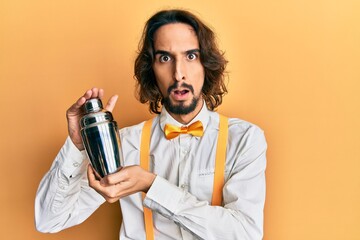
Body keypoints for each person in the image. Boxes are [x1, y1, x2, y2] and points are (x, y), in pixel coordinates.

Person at [35, 9, 267, 240]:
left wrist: (151, 185)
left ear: (206, 64)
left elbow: (245, 234)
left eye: (191, 56)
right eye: (165, 58)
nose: (178, 74)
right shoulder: (125, 144)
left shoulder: (244, 139)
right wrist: (77, 147)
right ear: (151, 69)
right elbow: (49, 220)